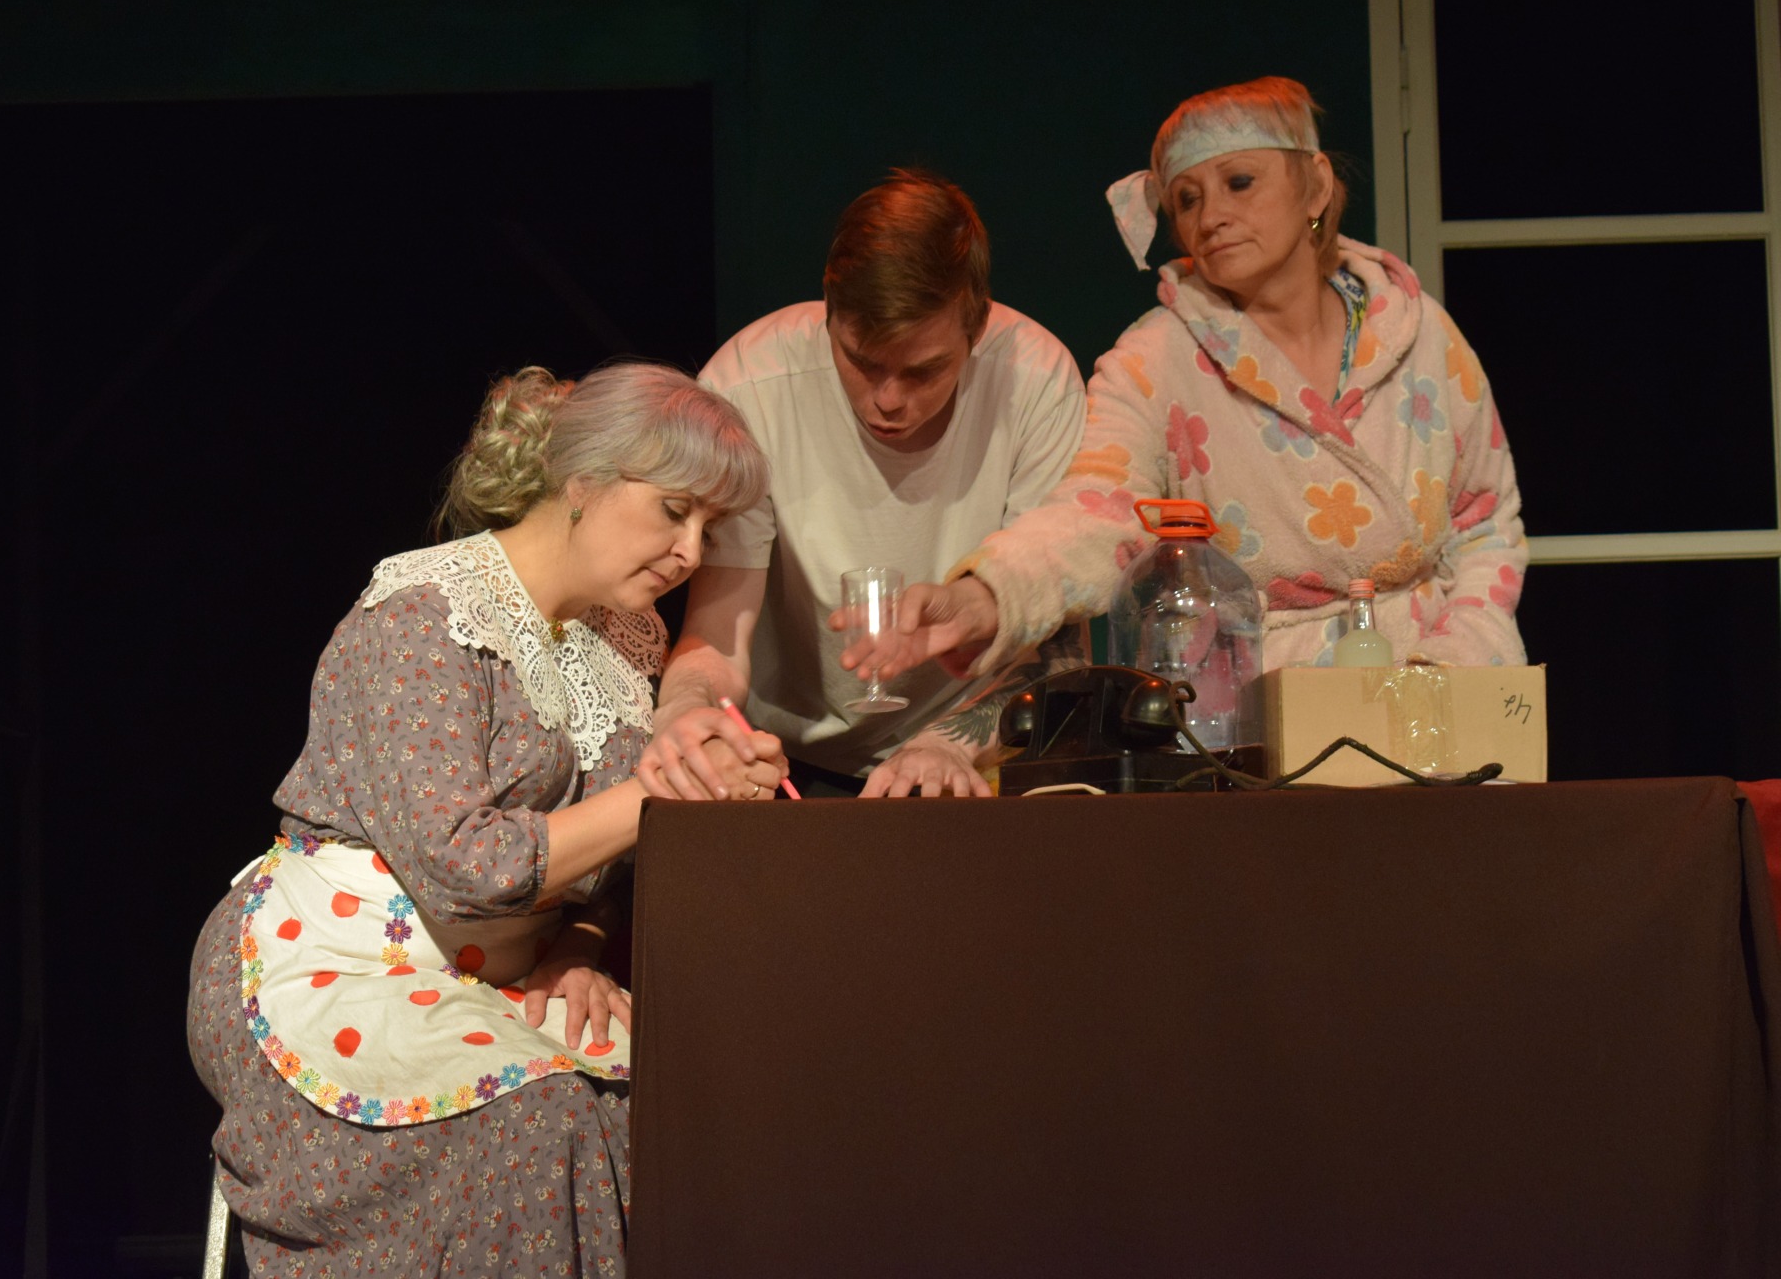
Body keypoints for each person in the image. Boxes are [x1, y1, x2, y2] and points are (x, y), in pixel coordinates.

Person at [187, 363, 782, 1276]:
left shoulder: (625, 644)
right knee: (536, 1119)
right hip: (336, 967)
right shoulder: (423, 616)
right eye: (674, 511)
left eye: (711, 526)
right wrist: (662, 789)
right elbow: (465, 864)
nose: (692, 554)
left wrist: (577, 947)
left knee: (689, 1103)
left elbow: (608, 865)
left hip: (489, 981)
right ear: (581, 481)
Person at [843, 78, 1527, 687]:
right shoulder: (1155, 361)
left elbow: (1486, 524)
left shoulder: (1419, 333)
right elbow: (1095, 512)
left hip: (1435, 683)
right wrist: (985, 597)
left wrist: (1452, 666)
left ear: (1315, 186)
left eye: (1240, 182)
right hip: (1256, 704)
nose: (1210, 216)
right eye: (1187, 199)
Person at [638, 169, 1088, 800]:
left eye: (924, 371)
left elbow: (1054, 646)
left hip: (976, 748)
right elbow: (717, 635)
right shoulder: (748, 386)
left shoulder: (1036, 382)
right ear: (828, 310)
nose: (888, 400)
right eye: (861, 361)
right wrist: (685, 715)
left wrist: (943, 746)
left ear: (977, 324)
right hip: (788, 757)